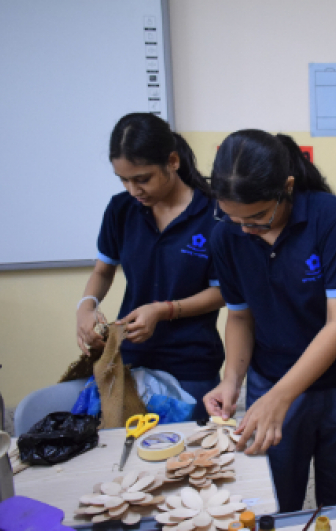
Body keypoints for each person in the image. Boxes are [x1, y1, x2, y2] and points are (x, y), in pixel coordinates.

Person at [203, 129, 336, 513]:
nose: (246, 229)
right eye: (233, 217)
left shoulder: (330, 217)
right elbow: (239, 315)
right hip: (272, 373)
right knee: (271, 499)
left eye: (258, 216)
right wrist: (231, 380)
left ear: (286, 187)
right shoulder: (225, 235)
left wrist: (279, 398)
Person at [75, 112, 225, 420]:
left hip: (191, 363)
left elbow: (223, 293)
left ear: (172, 161)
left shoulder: (214, 215)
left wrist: (163, 310)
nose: (133, 190)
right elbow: (103, 270)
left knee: (187, 449)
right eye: (124, 180)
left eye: (142, 179)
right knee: (120, 443)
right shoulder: (121, 209)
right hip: (131, 356)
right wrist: (86, 306)